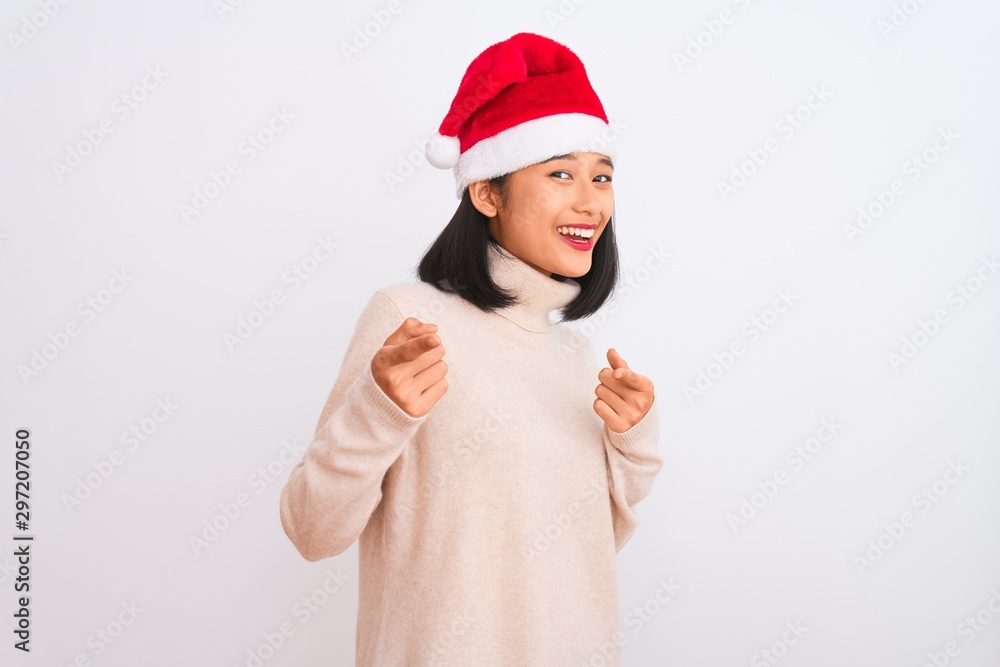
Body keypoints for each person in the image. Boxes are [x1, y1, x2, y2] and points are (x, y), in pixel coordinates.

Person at [279, 32, 663, 666]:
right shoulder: (409, 319)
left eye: (602, 176)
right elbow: (312, 529)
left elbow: (579, 556)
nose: (590, 200)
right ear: (488, 193)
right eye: (560, 172)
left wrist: (634, 447)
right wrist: (378, 412)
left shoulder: (580, 358)